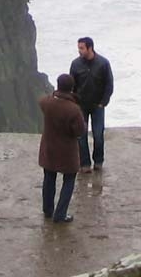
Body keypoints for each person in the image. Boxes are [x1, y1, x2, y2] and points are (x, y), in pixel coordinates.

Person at [38, 73, 85, 223]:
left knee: (49, 177)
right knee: (69, 179)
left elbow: (43, 100)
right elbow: (79, 131)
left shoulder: (46, 102)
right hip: (67, 150)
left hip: (49, 147)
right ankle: (60, 214)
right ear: (71, 88)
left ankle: (47, 210)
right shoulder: (73, 109)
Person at [69, 36, 113, 171]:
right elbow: (72, 85)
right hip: (80, 106)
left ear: (90, 48)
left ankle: (98, 161)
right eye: (79, 48)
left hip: (97, 105)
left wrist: (103, 102)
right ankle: (85, 164)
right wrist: (73, 102)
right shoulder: (75, 64)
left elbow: (109, 84)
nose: (79, 51)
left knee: (98, 135)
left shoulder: (103, 63)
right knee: (81, 136)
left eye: (82, 48)